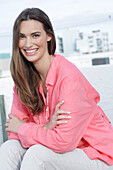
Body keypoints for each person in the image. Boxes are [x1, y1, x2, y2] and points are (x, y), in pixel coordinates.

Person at [0, 7, 113, 170]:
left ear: (49, 36)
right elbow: (14, 133)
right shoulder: (23, 80)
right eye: (22, 37)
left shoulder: (68, 77)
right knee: (9, 149)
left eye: (35, 35)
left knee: (38, 155)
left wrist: (25, 128)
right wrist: (46, 128)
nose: (28, 43)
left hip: (97, 155)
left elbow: (63, 141)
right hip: (58, 151)